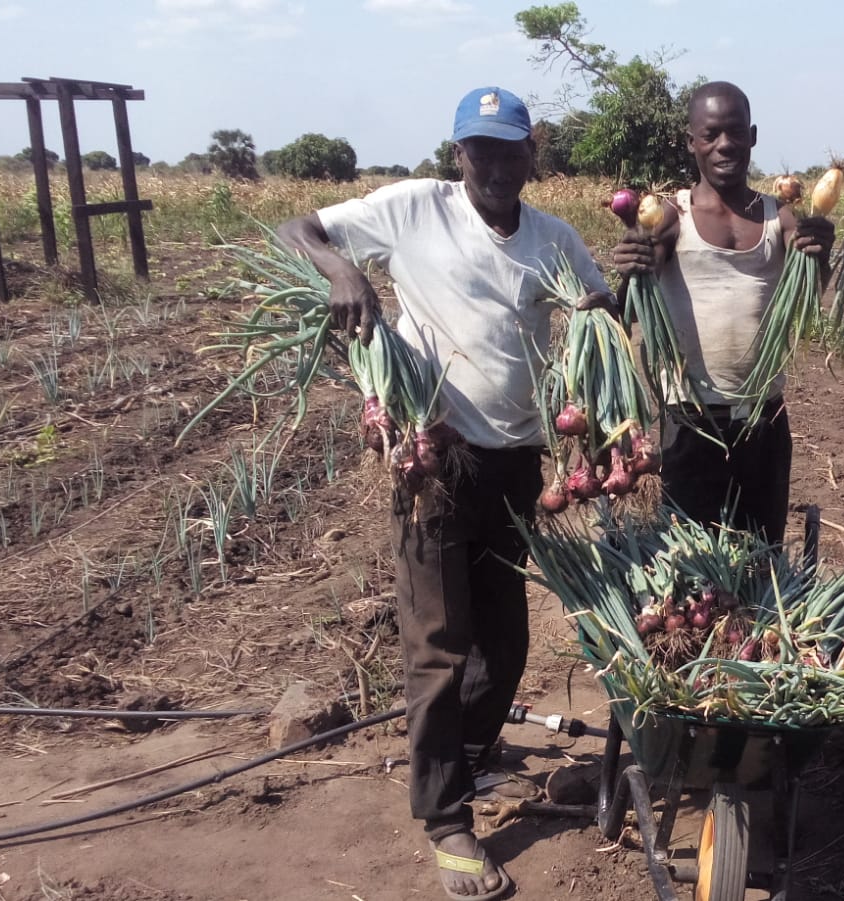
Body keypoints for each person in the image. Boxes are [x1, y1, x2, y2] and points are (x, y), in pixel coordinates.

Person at [277, 86, 611, 901]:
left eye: (509, 149)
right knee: (437, 641)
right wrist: (342, 269)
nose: (494, 165)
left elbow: (600, 306)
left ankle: (467, 758)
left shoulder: (555, 238)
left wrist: (608, 324)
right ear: (457, 153)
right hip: (432, 460)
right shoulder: (414, 207)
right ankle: (444, 816)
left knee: (506, 643)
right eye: (479, 150)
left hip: (516, 463)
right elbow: (298, 230)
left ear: (534, 151)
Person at [611, 81, 835, 546]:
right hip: (690, 420)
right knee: (692, 565)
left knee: (760, 552)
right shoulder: (672, 216)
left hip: (762, 418)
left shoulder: (780, 218)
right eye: (710, 134)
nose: (724, 145)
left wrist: (821, 251)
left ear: (753, 136)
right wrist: (631, 267)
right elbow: (631, 301)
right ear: (690, 141)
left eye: (735, 132)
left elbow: (810, 288)